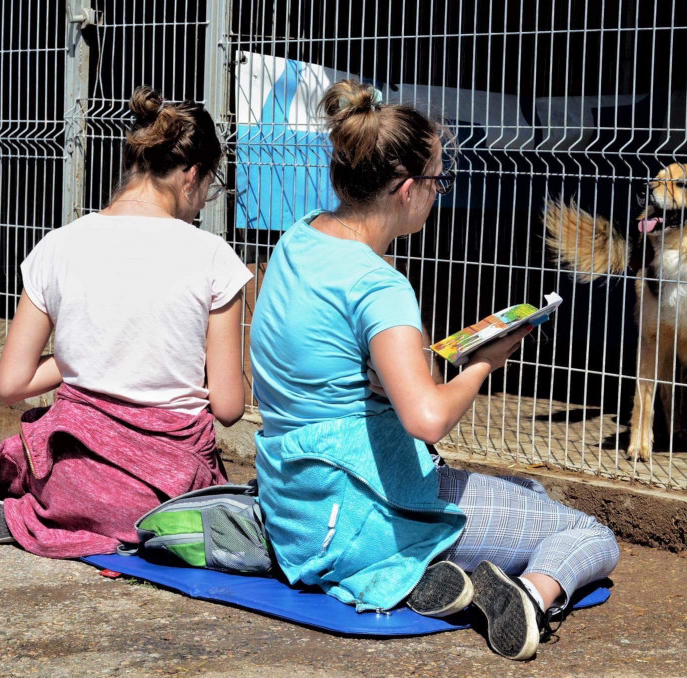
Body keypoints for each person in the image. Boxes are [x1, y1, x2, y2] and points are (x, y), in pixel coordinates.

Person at [248, 80, 619, 661]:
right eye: (438, 181)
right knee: (587, 533)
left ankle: (426, 575)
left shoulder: (300, 238)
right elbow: (425, 420)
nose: (440, 193)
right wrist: (483, 363)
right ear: (404, 189)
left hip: (296, 507)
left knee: (530, 492)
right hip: (364, 517)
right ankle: (526, 595)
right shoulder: (378, 285)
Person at [0, 86, 252, 557]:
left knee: (31, 446)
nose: (204, 202)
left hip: (68, 482)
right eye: (209, 187)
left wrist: (81, 351)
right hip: (164, 499)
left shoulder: (57, 246)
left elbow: (12, 384)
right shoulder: (214, 257)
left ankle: (20, 506)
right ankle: (46, 515)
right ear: (191, 176)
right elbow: (228, 408)